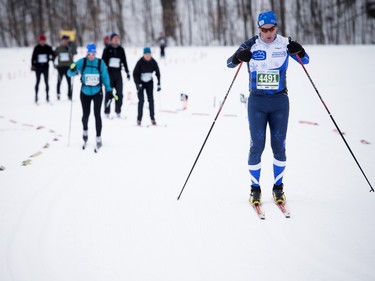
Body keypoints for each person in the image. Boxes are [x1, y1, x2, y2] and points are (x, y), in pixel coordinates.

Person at [227, 11, 310, 205]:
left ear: (276, 28)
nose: (268, 33)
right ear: (259, 29)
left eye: (271, 29)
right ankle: (255, 189)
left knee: (278, 146)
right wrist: (240, 56)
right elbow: (229, 63)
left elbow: (305, 61)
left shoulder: (285, 43)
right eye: (264, 30)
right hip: (257, 102)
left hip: (280, 102)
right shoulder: (250, 44)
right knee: (257, 146)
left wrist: (301, 50)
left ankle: (278, 188)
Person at [67, 43, 113, 150]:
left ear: (95, 53)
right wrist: (72, 69)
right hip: (85, 93)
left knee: (97, 115)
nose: (91, 56)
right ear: (86, 53)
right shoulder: (82, 62)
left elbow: (105, 77)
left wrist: (109, 90)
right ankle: (85, 131)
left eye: (93, 54)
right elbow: (69, 73)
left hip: (97, 92)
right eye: (89, 54)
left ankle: (98, 137)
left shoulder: (100, 63)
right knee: (86, 114)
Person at [101, 32, 131, 118]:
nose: (116, 40)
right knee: (109, 93)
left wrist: (127, 72)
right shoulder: (107, 49)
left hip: (118, 74)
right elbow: (102, 62)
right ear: (111, 40)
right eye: (114, 38)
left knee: (119, 94)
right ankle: (107, 111)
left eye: (117, 38)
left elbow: (124, 61)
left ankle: (118, 110)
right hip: (109, 74)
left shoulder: (121, 49)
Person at [133, 47, 161, 126]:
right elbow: (135, 74)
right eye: (146, 54)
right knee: (141, 101)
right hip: (141, 83)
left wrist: (159, 83)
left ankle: (152, 118)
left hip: (149, 82)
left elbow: (158, 73)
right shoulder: (140, 62)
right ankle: (139, 119)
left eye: (149, 54)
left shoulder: (153, 62)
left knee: (151, 100)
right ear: (143, 55)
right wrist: (138, 84)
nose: (148, 56)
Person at [31, 34, 55, 103]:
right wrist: (33, 65)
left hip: (45, 67)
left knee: (46, 82)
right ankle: (36, 96)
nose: (42, 42)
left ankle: (47, 96)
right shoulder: (36, 48)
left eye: (43, 40)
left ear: (45, 41)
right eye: (41, 41)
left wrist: (51, 58)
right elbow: (33, 57)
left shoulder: (48, 47)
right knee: (38, 81)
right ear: (39, 41)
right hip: (38, 67)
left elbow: (53, 54)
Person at [54, 35, 74, 100]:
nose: (65, 42)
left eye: (67, 40)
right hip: (60, 67)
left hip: (68, 67)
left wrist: (71, 48)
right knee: (59, 81)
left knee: (69, 82)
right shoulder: (58, 48)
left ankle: (69, 95)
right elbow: (53, 56)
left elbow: (75, 52)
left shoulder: (69, 48)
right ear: (62, 41)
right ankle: (58, 94)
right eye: (64, 40)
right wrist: (54, 64)